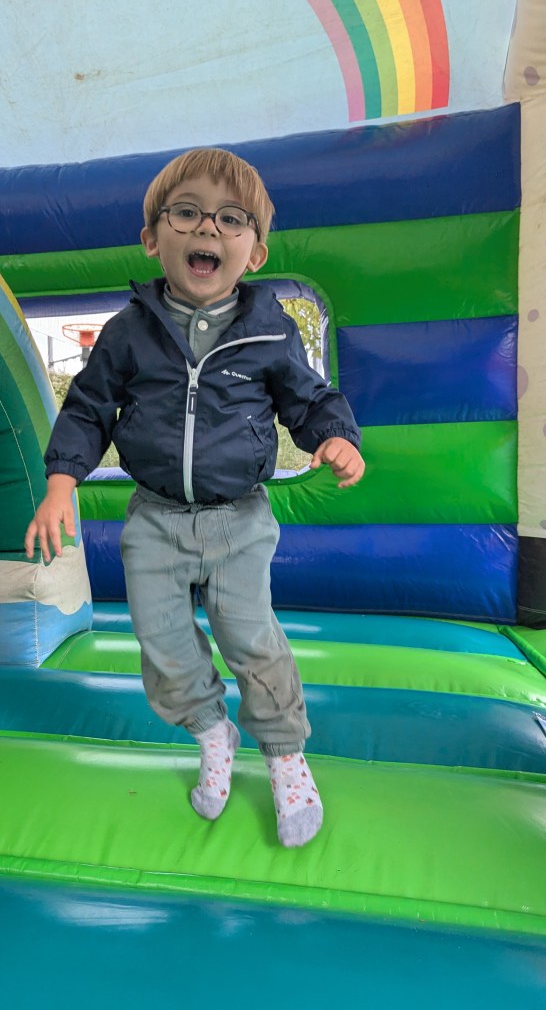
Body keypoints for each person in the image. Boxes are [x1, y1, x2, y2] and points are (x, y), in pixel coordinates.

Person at [24, 148, 365, 848]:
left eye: (230, 219)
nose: (207, 227)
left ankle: (284, 753)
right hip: (154, 519)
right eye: (186, 213)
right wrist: (61, 482)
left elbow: (309, 398)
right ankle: (211, 731)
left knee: (248, 635)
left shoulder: (270, 331)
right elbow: (88, 408)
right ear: (153, 239)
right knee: (161, 640)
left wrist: (334, 436)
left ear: (254, 254)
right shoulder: (128, 332)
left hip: (239, 519)